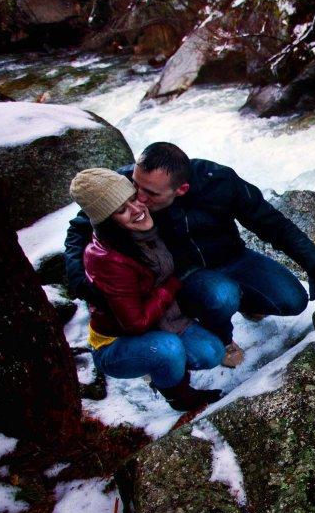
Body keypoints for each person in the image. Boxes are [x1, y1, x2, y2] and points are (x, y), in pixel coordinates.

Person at [65, 142, 315, 367]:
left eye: (149, 193)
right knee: (220, 295)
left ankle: (245, 302)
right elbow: (81, 228)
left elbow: (271, 223)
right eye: (136, 186)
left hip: (232, 257)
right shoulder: (130, 184)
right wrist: (83, 282)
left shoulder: (219, 181)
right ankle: (221, 336)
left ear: (181, 189)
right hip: (180, 274)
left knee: (293, 300)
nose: (138, 198)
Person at [68, 168, 225, 411]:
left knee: (211, 353)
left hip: (162, 319)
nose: (136, 209)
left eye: (132, 198)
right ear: (108, 222)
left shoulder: (149, 220)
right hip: (118, 341)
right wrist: (171, 283)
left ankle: (161, 362)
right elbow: (136, 323)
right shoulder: (108, 259)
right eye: (121, 210)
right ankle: (177, 395)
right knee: (167, 350)